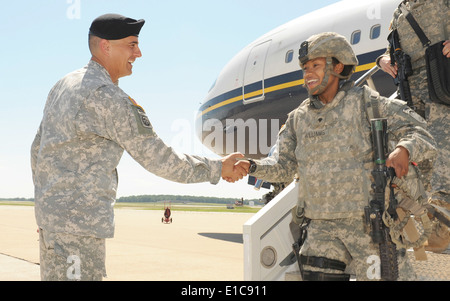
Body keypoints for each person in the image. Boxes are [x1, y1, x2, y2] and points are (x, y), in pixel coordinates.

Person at [30, 14, 247, 281]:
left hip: (52, 225)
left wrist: (46, 209)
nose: (139, 53)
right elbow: (158, 158)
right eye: (131, 45)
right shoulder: (106, 97)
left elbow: (37, 149)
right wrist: (217, 168)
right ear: (106, 46)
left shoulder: (63, 86)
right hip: (78, 231)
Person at [235, 32, 436, 280]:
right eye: (305, 68)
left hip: (369, 230)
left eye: (316, 66)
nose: (308, 73)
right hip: (320, 230)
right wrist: (252, 166)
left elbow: (420, 131)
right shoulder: (297, 119)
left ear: (338, 66)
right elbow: (284, 167)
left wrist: (404, 148)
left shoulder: (367, 103)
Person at [376, 0, 450, 253]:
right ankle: (425, 216)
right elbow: (392, 46)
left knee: (442, 141)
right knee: (419, 145)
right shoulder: (400, 10)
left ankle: (443, 216)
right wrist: (383, 60)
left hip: (442, 75)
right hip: (411, 84)